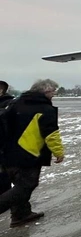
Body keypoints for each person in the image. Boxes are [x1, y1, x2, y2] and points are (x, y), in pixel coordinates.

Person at [0, 79, 65, 227]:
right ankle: (15, 212)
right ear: (46, 92)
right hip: (27, 153)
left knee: (18, 184)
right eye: (53, 91)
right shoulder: (44, 108)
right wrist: (59, 152)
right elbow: (51, 134)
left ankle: (20, 214)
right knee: (26, 186)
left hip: (7, 152)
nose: (54, 94)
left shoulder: (16, 102)